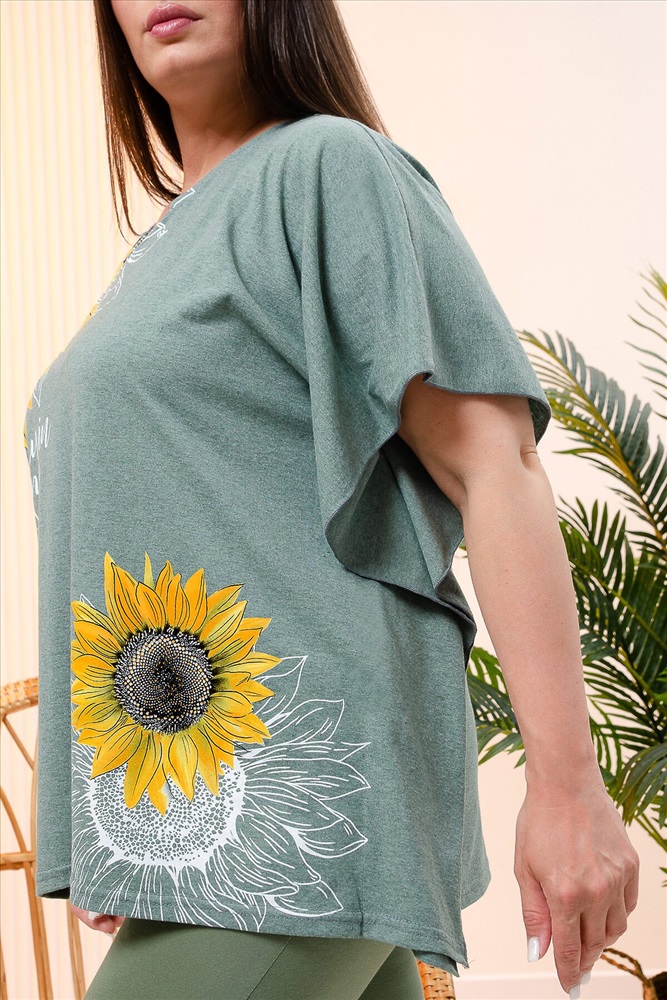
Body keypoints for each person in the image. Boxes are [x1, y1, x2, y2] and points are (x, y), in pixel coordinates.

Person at [21, 1, 640, 999]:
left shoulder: (326, 165)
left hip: (308, 786)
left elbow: (494, 463)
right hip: (220, 798)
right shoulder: (165, 246)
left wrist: (567, 788)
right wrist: (126, 805)